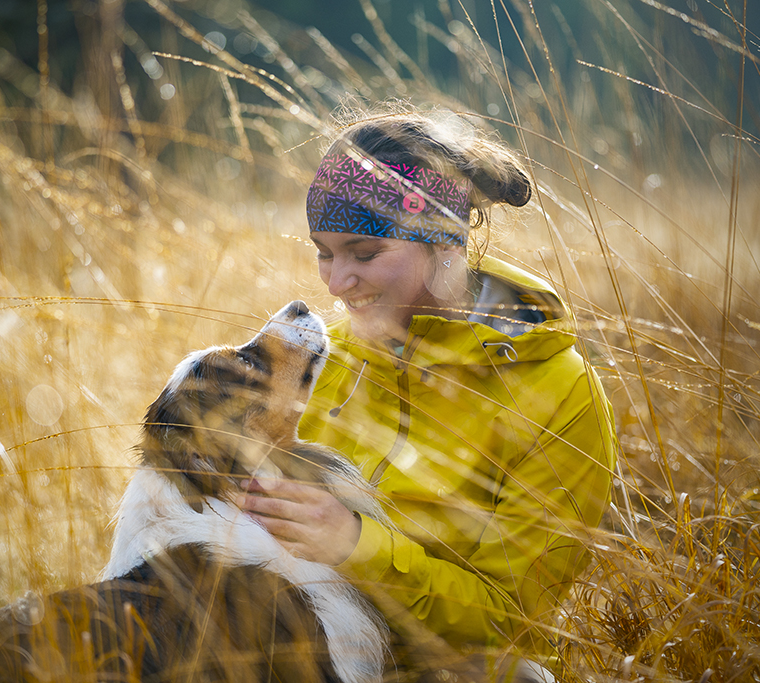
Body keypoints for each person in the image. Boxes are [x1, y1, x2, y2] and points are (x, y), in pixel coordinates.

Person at [238, 108, 618, 680]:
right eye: (323, 251)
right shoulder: (323, 360)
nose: (336, 283)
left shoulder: (561, 391)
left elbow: (511, 618)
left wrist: (355, 545)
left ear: (444, 241)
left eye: (364, 254)